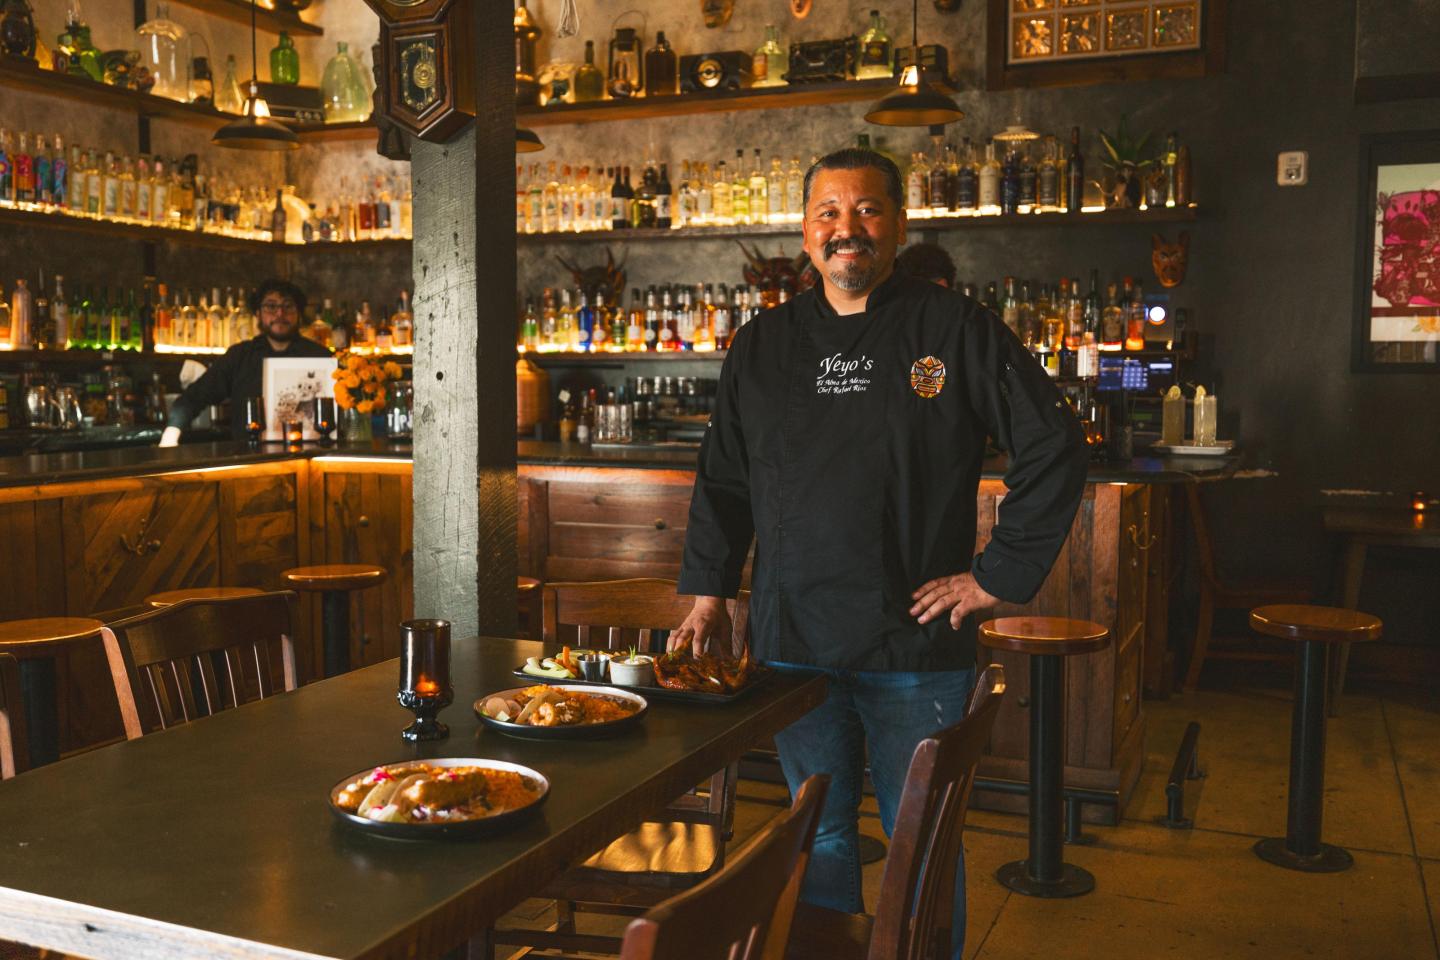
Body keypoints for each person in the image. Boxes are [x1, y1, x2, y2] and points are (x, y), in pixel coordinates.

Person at [670, 149, 1088, 956]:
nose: (847, 230)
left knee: (920, 844)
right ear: (803, 232)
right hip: (795, 645)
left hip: (915, 648)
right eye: (829, 212)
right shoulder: (761, 346)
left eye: (866, 211)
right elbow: (723, 480)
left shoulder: (954, 328)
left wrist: (997, 575)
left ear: (898, 223)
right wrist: (709, 592)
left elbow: (1055, 445)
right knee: (820, 840)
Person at [158, 279, 332, 446]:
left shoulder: (321, 357)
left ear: (299, 314)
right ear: (257, 313)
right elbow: (195, 396)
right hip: (249, 459)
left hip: (310, 458)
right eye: (271, 306)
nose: (280, 313)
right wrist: (171, 432)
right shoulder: (239, 356)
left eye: (288, 306)